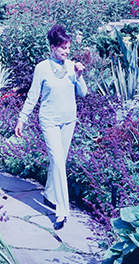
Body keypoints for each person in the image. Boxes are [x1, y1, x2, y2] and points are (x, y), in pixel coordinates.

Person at [14, 23, 87, 231]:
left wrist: (80, 76)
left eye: (68, 48)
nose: (66, 51)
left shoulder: (73, 66)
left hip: (68, 120)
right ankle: (62, 211)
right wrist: (22, 119)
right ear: (53, 47)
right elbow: (32, 95)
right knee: (57, 161)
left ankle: (48, 194)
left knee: (59, 161)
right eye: (63, 47)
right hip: (49, 120)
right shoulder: (42, 68)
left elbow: (83, 93)